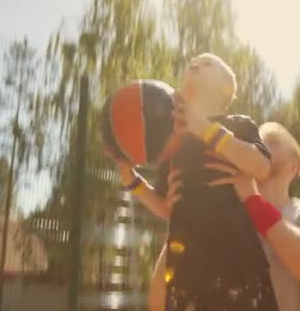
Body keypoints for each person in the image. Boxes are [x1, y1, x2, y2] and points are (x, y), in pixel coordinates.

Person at [110, 53, 278, 310]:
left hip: (238, 266)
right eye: (192, 63)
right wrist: (132, 181)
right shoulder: (173, 143)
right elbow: (167, 207)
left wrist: (205, 129)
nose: (195, 63)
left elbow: (262, 166)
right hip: (187, 275)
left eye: (208, 62)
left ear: (226, 88)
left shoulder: (238, 125)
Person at [148, 122, 300, 311]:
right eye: (255, 139)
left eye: (271, 140)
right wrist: (183, 220)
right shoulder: (222, 226)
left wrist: (253, 201)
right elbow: (159, 305)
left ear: (295, 165)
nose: (258, 142)